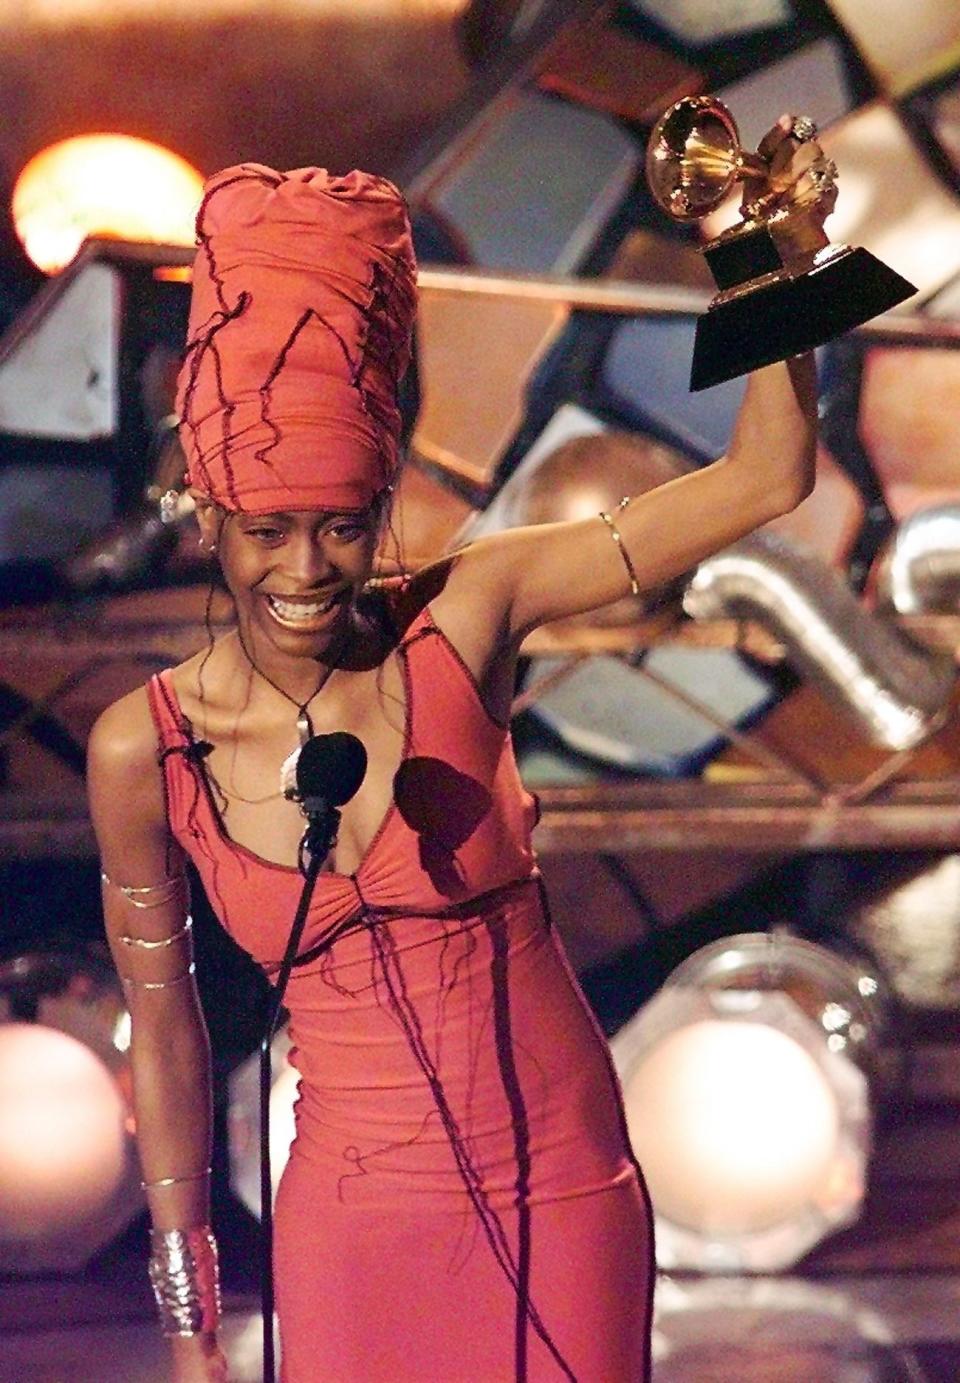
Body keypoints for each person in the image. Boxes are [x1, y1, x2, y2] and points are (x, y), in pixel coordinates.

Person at [87, 124, 828, 1382]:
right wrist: (186, 1305)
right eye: (268, 529)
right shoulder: (144, 748)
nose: (307, 569)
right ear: (211, 518)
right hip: (352, 1208)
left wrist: (762, 263)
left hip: (557, 1177)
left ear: (380, 505)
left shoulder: (467, 613)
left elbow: (765, 478)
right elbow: (164, 1031)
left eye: (341, 526)